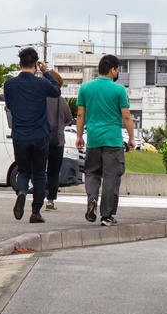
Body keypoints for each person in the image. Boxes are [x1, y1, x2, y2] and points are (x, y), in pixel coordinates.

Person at [75, 54, 134, 227]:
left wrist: (79, 136)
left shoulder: (85, 88)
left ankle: (92, 198)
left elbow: (80, 114)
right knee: (111, 177)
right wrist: (131, 138)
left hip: (93, 139)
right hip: (113, 141)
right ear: (112, 69)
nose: (118, 73)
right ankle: (106, 216)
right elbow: (127, 117)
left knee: (92, 173)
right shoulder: (119, 90)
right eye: (118, 69)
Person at [2, 47, 60, 223]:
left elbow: (10, 106)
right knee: (40, 173)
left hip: (20, 134)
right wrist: (46, 72)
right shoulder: (42, 83)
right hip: (40, 134)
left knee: (24, 170)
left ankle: (21, 192)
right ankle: (35, 212)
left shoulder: (9, 84)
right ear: (36, 64)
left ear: (19, 64)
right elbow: (56, 91)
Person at [44, 70, 72, 211]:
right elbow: (69, 120)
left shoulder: (41, 98)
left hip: (41, 138)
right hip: (58, 140)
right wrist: (60, 126)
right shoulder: (62, 101)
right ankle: (50, 202)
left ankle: (37, 200)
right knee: (54, 172)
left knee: (39, 170)